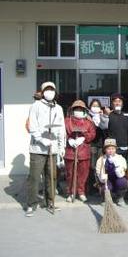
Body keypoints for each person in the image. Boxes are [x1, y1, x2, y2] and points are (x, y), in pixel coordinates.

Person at [26, 81, 66, 217]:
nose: (50, 92)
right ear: (42, 92)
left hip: (53, 149)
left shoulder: (58, 108)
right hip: (38, 149)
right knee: (34, 178)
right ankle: (31, 204)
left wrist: (61, 146)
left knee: (52, 177)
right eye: (47, 89)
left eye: (52, 89)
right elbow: (32, 126)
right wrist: (42, 140)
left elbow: (61, 129)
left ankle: (50, 201)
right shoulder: (35, 106)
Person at [64, 100, 96, 203]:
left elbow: (92, 134)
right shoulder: (66, 121)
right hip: (70, 152)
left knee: (83, 174)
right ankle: (70, 192)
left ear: (84, 111)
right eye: (76, 109)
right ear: (72, 110)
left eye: (80, 109)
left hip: (83, 152)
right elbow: (62, 132)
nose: (78, 111)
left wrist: (83, 138)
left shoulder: (88, 122)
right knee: (70, 174)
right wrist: (69, 139)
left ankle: (81, 192)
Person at [95, 138, 128, 206]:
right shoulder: (101, 160)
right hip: (107, 180)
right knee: (105, 187)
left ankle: (120, 197)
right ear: (105, 150)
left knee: (122, 182)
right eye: (108, 149)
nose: (111, 151)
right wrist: (102, 177)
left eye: (113, 149)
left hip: (117, 179)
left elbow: (122, 174)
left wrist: (117, 167)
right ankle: (106, 199)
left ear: (115, 149)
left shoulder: (121, 158)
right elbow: (98, 172)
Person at [87, 99, 109, 194]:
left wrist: (103, 115)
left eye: (97, 105)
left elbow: (105, 128)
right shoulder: (87, 116)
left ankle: (100, 186)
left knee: (100, 166)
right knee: (92, 166)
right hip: (92, 144)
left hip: (101, 144)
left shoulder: (102, 116)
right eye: (93, 105)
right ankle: (91, 187)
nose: (95, 107)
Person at [108, 93, 128, 159]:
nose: (117, 103)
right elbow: (103, 126)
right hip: (112, 149)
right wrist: (105, 116)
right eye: (115, 101)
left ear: (122, 104)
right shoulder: (109, 115)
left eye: (119, 101)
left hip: (126, 148)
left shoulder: (127, 115)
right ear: (112, 104)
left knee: (125, 168)